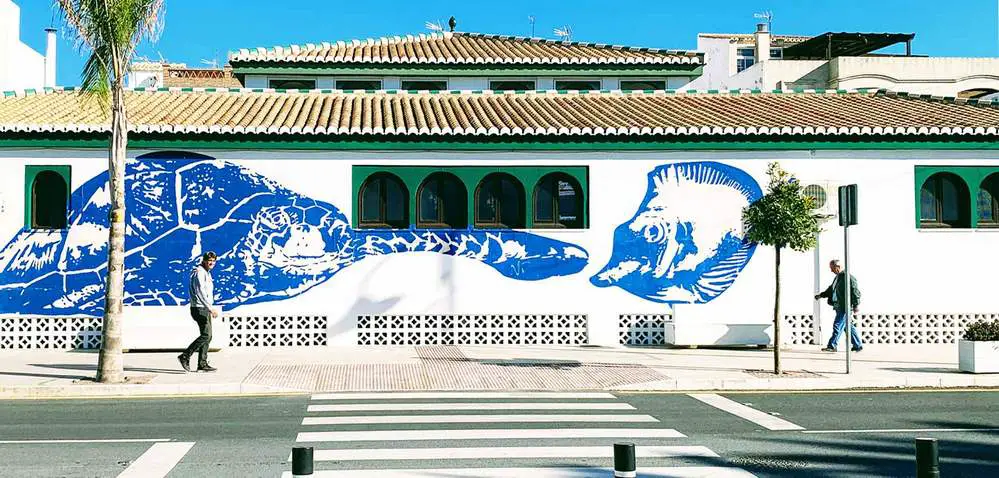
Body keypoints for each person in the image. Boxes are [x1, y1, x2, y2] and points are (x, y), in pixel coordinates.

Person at [178, 251, 219, 372]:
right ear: (204, 260)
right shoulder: (200, 273)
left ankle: (202, 363)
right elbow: (200, 291)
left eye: (213, 261)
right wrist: (210, 308)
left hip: (204, 308)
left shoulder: (205, 272)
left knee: (208, 336)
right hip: (200, 308)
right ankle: (185, 356)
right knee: (206, 335)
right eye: (209, 260)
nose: (211, 263)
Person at [814, 259, 863, 353]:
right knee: (848, 327)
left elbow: (855, 292)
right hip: (838, 305)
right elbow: (831, 290)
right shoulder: (838, 277)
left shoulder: (848, 277)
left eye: (832, 268)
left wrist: (856, 305)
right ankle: (857, 345)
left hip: (844, 306)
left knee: (838, 325)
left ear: (838, 267)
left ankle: (832, 345)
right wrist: (821, 295)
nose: (831, 270)